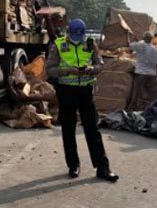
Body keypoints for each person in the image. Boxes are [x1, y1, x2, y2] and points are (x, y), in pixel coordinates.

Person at [46, 18, 119, 182]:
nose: (78, 39)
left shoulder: (90, 44)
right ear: (69, 32)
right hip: (66, 92)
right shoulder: (58, 45)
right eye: (74, 35)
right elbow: (49, 69)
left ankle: (103, 168)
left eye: (80, 35)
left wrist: (91, 69)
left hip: (85, 91)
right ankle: (73, 165)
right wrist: (67, 71)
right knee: (68, 129)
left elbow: (99, 64)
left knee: (92, 129)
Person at [129, 31, 157, 111]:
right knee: (153, 94)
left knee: (137, 92)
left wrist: (132, 38)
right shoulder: (155, 49)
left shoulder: (140, 45)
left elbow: (130, 46)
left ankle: (133, 108)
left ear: (144, 38)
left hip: (141, 73)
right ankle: (155, 108)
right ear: (151, 39)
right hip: (152, 74)